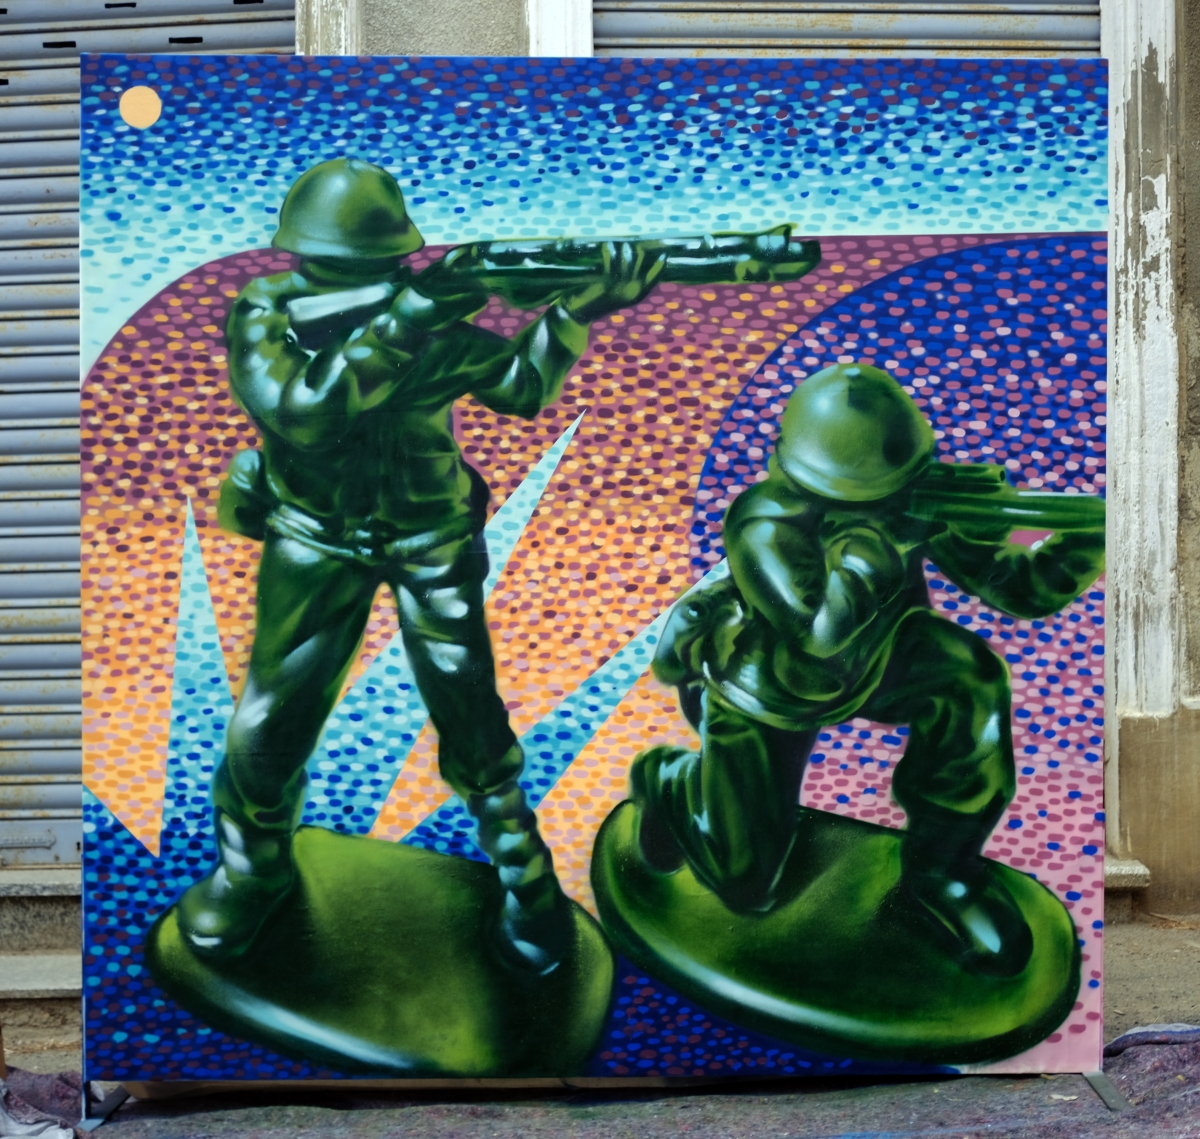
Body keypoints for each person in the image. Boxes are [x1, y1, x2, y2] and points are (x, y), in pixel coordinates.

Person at [177, 157, 668, 974]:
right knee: (270, 721)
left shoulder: (429, 320)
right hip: (313, 534)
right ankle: (251, 870)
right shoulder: (270, 313)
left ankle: (526, 879)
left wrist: (575, 311)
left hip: (431, 535)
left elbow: (520, 386)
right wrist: (408, 314)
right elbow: (306, 413)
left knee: (471, 715)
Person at [634, 362, 1105, 977]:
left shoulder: (908, 497)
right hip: (767, 688)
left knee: (970, 678)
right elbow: (816, 633)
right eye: (879, 499)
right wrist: (874, 546)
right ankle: (671, 781)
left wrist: (1091, 534)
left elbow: (1020, 589)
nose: (897, 505)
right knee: (746, 884)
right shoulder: (764, 521)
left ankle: (943, 873)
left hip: (881, 652)